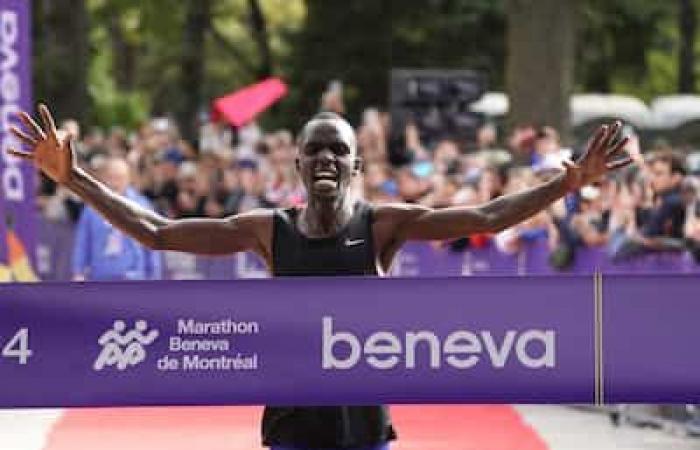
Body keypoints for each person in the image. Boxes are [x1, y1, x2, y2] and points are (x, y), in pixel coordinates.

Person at [9, 104, 631, 450]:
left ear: (357, 163)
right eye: (316, 149)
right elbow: (160, 234)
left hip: (364, 431)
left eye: (339, 149)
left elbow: (488, 214)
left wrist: (566, 182)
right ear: (299, 163)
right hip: (291, 432)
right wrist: (72, 178)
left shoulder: (384, 224)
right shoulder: (266, 229)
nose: (327, 158)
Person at [72, 156, 162, 281]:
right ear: (103, 178)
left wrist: (154, 276)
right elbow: (82, 242)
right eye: (111, 177)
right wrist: (78, 272)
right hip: (100, 279)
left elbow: (154, 242)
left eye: (119, 178)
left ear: (129, 179)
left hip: (134, 280)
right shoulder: (92, 207)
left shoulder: (142, 206)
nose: (115, 183)